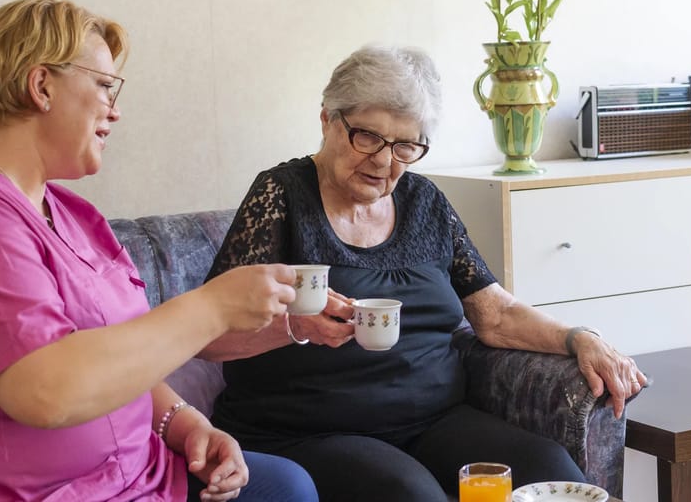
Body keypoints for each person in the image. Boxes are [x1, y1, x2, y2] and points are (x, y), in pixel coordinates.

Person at [201, 45, 648, 501]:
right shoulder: (280, 196)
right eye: (367, 137)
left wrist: (580, 338)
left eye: (404, 146)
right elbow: (209, 336)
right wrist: (295, 326)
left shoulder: (425, 203)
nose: (382, 160)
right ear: (327, 121)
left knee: (550, 472)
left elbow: (495, 313)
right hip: (310, 429)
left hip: (434, 420)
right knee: (412, 494)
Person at [0, 0, 319, 502]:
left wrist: (183, 422)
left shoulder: (68, 212)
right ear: (42, 86)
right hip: (43, 492)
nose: (116, 109)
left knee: (289, 485)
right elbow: (44, 389)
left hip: (138, 474)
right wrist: (211, 307)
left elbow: (117, 351)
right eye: (105, 86)